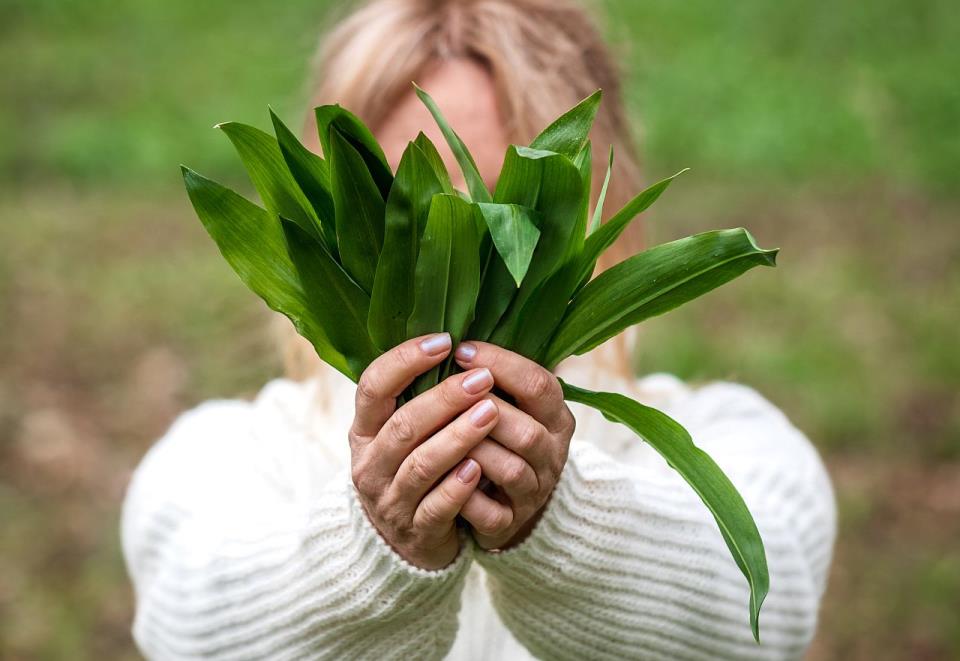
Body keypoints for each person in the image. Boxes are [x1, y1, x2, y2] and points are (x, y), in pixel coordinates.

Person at [121, 0, 837, 658]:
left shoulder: (729, 439)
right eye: (408, 210)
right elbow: (188, 613)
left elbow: (769, 607)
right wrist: (370, 546)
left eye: (509, 208)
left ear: (603, 213)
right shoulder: (223, 460)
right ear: (323, 221)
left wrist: (560, 522)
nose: (457, 261)